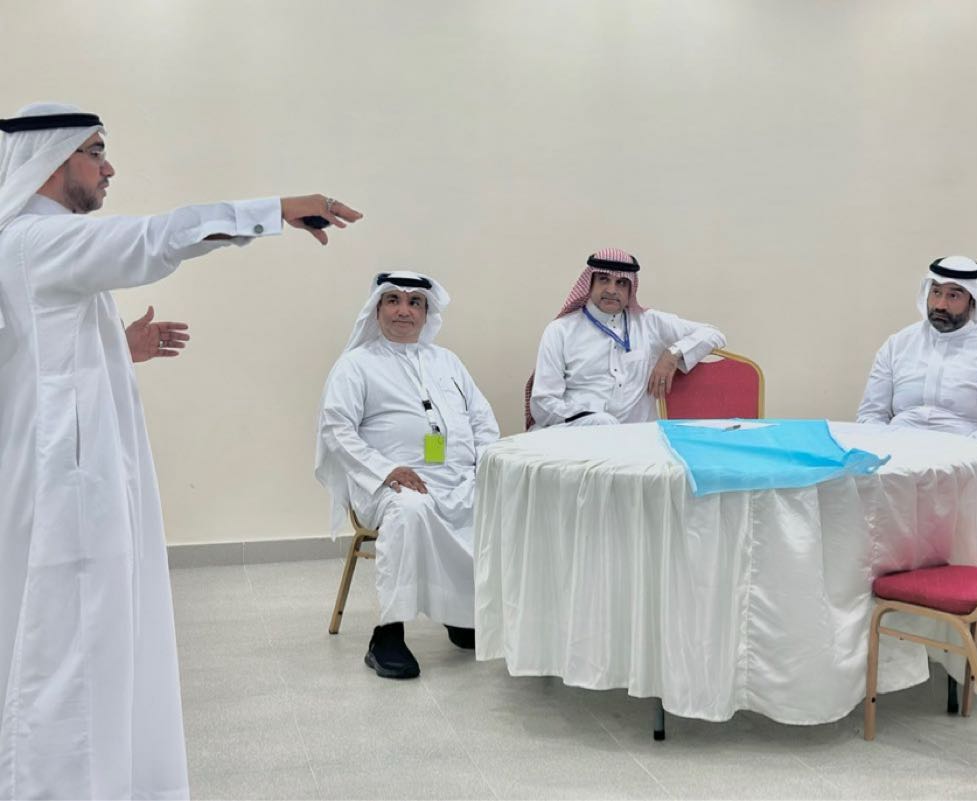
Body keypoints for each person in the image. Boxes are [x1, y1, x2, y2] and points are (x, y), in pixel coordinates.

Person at [0, 102, 362, 801]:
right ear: (49, 160)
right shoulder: (39, 240)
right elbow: (157, 238)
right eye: (95, 152)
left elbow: (30, 361)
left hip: (67, 482)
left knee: (88, 640)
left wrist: (115, 347)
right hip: (67, 495)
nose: (109, 168)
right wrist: (274, 211)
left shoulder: (29, 246)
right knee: (70, 647)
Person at [316, 271, 499, 680]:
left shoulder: (447, 361)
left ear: (426, 313)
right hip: (387, 483)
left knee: (496, 501)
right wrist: (386, 470)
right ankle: (387, 635)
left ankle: (463, 615)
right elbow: (336, 429)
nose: (404, 310)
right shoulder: (356, 365)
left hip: (457, 478)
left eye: (415, 302)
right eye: (394, 300)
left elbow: (482, 420)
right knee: (411, 510)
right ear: (377, 309)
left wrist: (485, 464)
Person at [527, 248, 726, 429]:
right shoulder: (561, 330)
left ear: (631, 289)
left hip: (636, 440)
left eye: (621, 283)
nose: (611, 290)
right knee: (602, 423)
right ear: (589, 283)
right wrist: (592, 420)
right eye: (604, 279)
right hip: (579, 435)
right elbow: (543, 404)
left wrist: (672, 354)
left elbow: (713, 334)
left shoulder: (648, 323)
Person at [856, 255, 977, 454]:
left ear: (973, 301)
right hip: (896, 457)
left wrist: (953, 456)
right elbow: (871, 415)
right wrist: (886, 451)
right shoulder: (898, 344)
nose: (940, 305)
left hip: (963, 460)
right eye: (936, 292)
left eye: (953, 296)